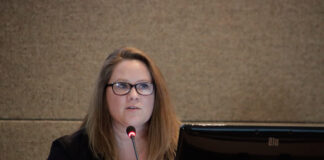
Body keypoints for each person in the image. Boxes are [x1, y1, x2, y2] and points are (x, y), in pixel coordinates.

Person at [48, 47, 180, 160]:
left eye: (144, 86)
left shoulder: (183, 148)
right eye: (121, 85)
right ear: (103, 95)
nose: (133, 96)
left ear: (157, 95)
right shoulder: (68, 152)